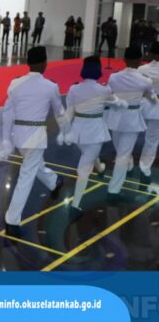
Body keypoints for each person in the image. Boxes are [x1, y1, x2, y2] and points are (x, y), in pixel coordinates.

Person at [1, 46, 67, 236]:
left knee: (33, 164)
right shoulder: (51, 86)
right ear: (45, 63)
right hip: (36, 137)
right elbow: (59, 113)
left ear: (28, 63)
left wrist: (6, 139)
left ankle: (54, 181)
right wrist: (66, 132)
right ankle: (12, 220)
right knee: (26, 177)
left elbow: (7, 113)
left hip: (19, 136)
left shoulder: (15, 84)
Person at [62, 56, 125, 214]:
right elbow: (116, 103)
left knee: (88, 155)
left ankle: (100, 168)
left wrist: (65, 132)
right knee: (84, 167)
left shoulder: (73, 89)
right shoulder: (104, 90)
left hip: (78, 132)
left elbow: (69, 111)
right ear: (98, 69)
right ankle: (75, 205)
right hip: (95, 132)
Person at [105, 47, 157, 197]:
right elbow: (153, 99)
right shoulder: (145, 81)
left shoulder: (113, 77)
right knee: (123, 154)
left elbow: (109, 95)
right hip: (132, 119)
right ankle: (114, 189)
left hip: (115, 117)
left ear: (124, 59)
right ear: (140, 60)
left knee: (121, 152)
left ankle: (126, 169)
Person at [138, 42, 159, 183]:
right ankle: (145, 167)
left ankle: (125, 160)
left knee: (131, 134)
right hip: (157, 107)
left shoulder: (142, 69)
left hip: (142, 104)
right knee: (152, 139)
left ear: (151, 53)